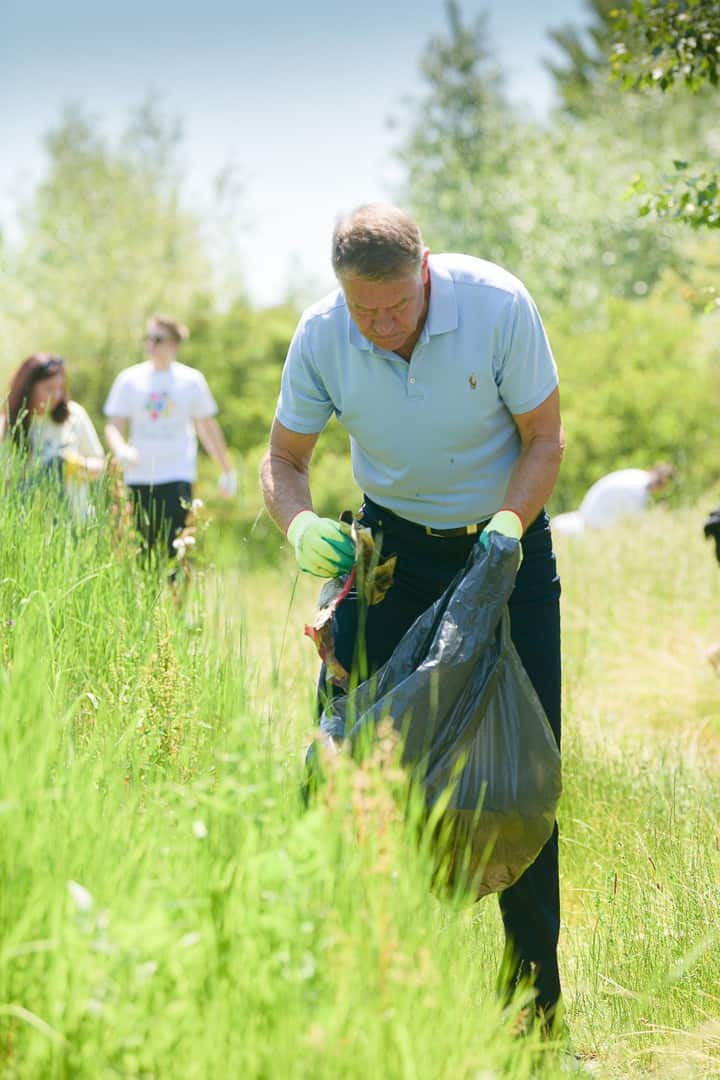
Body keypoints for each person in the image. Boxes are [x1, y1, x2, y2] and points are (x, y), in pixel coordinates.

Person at [260, 204, 565, 1029]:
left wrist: (509, 525)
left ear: (425, 268)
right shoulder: (323, 335)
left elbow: (545, 438)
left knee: (517, 777)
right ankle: (347, 994)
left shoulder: (498, 306)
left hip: (507, 553)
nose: (384, 325)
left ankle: (534, 1015)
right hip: (391, 556)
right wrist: (300, 525)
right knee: (347, 763)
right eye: (367, 312)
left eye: (398, 306)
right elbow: (284, 459)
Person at [104, 314, 236, 560]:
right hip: (140, 475)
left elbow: (207, 428)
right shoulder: (129, 379)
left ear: (174, 344)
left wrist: (227, 471)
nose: (150, 344)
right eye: (148, 338)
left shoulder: (191, 380)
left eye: (157, 339)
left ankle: (176, 598)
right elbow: (114, 425)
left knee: (177, 549)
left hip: (177, 473)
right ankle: (147, 598)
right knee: (144, 550)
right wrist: (121, 449)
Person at [1, 353, 105, 516]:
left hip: (76, 518)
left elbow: (99, 465)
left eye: (60, 388)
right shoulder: (8, 425)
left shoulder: (74, 415)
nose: (56, 396)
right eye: (49, 389)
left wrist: (74, 465)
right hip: (30, 525)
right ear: (28, 389)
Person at [551, 463, 674, 536]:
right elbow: (635, 525)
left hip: (590, 512)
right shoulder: (639, 488)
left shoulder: (636, 475)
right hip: (595, 522)